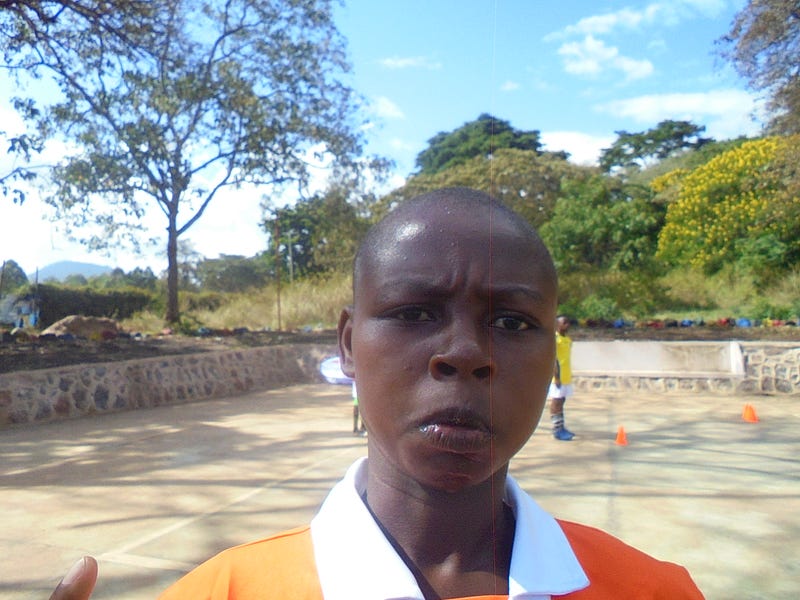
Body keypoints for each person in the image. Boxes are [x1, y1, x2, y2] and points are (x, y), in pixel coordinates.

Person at [49, 187, 704, 599]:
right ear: (347, 344)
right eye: (414, 312)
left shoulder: (654, 590)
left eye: (511, 323)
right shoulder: (222, 591)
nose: (465, 354)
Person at [548, 315, 576, 441]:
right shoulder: (555, 339)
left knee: (562, 401)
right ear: (557, 325)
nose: (567, 325)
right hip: (557, 377)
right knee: (556, 401)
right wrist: (556, 376)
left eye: (568, 322)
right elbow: (553, 359)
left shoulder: (568, 340)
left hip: (566, 376)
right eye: (564, 322)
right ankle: (557, 429)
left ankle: (561, 427)